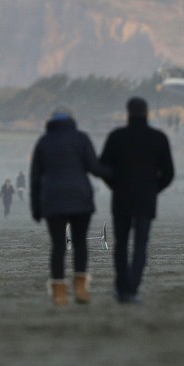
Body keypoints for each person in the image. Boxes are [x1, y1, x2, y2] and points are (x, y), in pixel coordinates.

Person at [30, 106, 110, 306]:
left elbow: (35, 178)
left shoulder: (43, 142)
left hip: (52, 200)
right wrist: (117, 175)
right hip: (80, 198)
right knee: (80, 242)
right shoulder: (81, 138)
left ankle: (59, 292)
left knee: (58, 246)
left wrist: (36, 208)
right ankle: (81, 288)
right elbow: (95, 168)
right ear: (72, 121)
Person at [99, 97, 175, 304]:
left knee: (121, 245)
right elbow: (168, 173)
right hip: (146, 200)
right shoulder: (158, 138)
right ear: (147, 112)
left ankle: (122, 288)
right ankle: (132, 288)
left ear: (128, 112)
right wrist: (153, 189)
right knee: (141, 245)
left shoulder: (117, 137)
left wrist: (115, 185)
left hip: (121, 199)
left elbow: (102, 167)